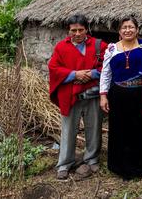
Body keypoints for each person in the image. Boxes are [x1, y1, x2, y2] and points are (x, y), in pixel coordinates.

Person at [48, 14, 107, 180]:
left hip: (92, 95)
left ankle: (91, 159)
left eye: (81, 30)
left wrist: (93, 73)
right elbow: (54, 68)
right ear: (69, 30)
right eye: (73, 30)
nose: (77, 33)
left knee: (94, 127)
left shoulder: (98, 45)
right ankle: (65, 163)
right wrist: (74, 74)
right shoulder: (61, 48)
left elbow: (108, 65)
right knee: (68, 130)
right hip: (70, 95)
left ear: (86, 29)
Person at [99, 16, 142, 180]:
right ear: (119, 31)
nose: (128, 30)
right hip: (119, 96)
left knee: (141, 130)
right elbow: (105, 73)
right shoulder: (112, 49)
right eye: (124, 27)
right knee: (121, 131)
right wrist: (103, 96)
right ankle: (124, 169)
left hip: (141, 95)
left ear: (137, 29)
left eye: (131, 27)